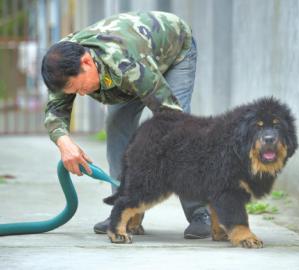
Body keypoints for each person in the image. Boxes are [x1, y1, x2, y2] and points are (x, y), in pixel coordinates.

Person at [41, 11, 211, 239]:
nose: (80, 94)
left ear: (87, 62)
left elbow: (170, 117)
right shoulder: (61, 62)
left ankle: (200, 212)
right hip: (129, 68)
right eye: (73, 92)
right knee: (116, 125)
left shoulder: (126, 63)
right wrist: (64, 144)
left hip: (173, 50)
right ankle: (126, 211)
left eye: (79, 87)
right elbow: (55, 112)